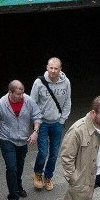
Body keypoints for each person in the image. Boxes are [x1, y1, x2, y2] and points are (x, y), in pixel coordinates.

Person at [0, 80, 42, 200]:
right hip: (7, 139)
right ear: (10, 92)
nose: (21, 96)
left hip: (23, 140)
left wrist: (35, 132)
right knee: (11, 167)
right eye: (18, 94)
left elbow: (37, 116)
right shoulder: (0, 104)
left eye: (22, 93)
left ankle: (18, 186)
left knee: (19, 165)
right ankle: (13, 199)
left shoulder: (28, 101)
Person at [30, 57, 72, 191]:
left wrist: (62, 120)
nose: (53, 71)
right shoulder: (39, 83)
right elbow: (32, 103)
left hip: (57, 123)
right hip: (42, 123)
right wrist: (36, 122)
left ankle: (48, 176)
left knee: (54, 153)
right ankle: (37, 174)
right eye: (51, 68)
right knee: (43, 152)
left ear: (60, 69)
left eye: (56, 68)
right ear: (47, 67)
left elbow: (67, 102)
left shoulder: (66, 82)